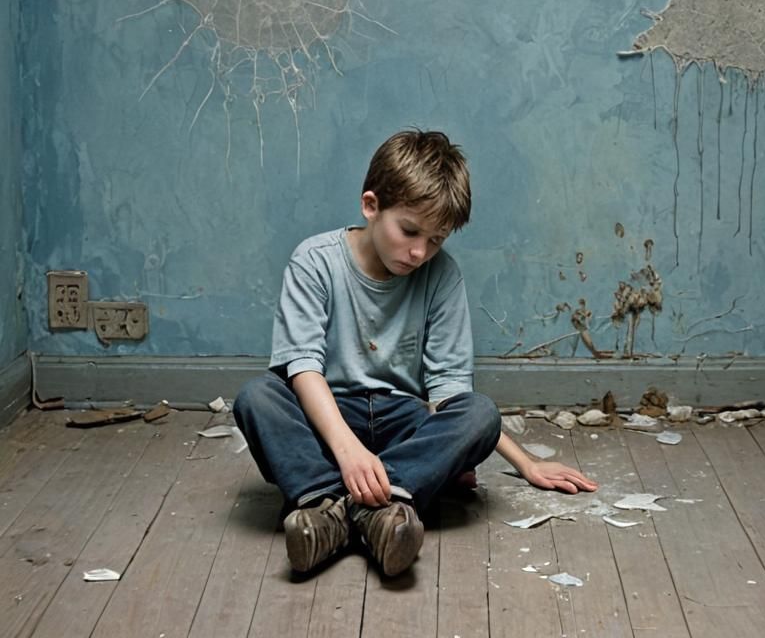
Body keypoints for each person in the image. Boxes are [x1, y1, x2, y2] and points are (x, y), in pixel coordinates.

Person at [234, 129, 596, 578]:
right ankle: (355, 504)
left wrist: (527, 463)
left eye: (437, 239)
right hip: (327, 425)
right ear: (371, 206)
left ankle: (342, 513)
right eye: (409, 231)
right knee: (259, 397)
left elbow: (449, 393)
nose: (420, 252)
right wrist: (347, 451)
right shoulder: (315, 261)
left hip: (402, 425)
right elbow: (303, 367)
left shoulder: (441, 276)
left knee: (480, 412)